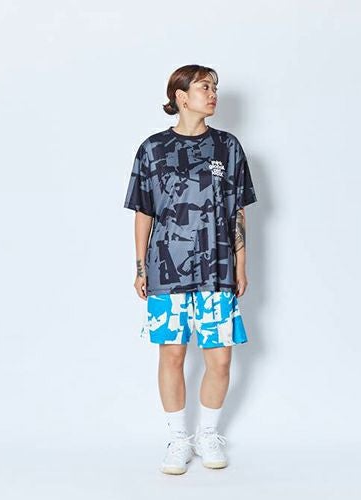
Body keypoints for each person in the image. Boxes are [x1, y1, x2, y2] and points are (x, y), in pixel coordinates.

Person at [123, 64, 258, 475]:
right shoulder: (152, 149)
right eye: (204, 87)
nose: (213, 94)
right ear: (181, 97)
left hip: (217, 267)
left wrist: (241, 264)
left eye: (215, 87)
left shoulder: (227, 147)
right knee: (172, 354)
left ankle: (208, 434)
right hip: (167, 270)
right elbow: (144, 212)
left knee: (220, 359)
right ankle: (178, 438)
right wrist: (140, 267)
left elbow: (238, 211)